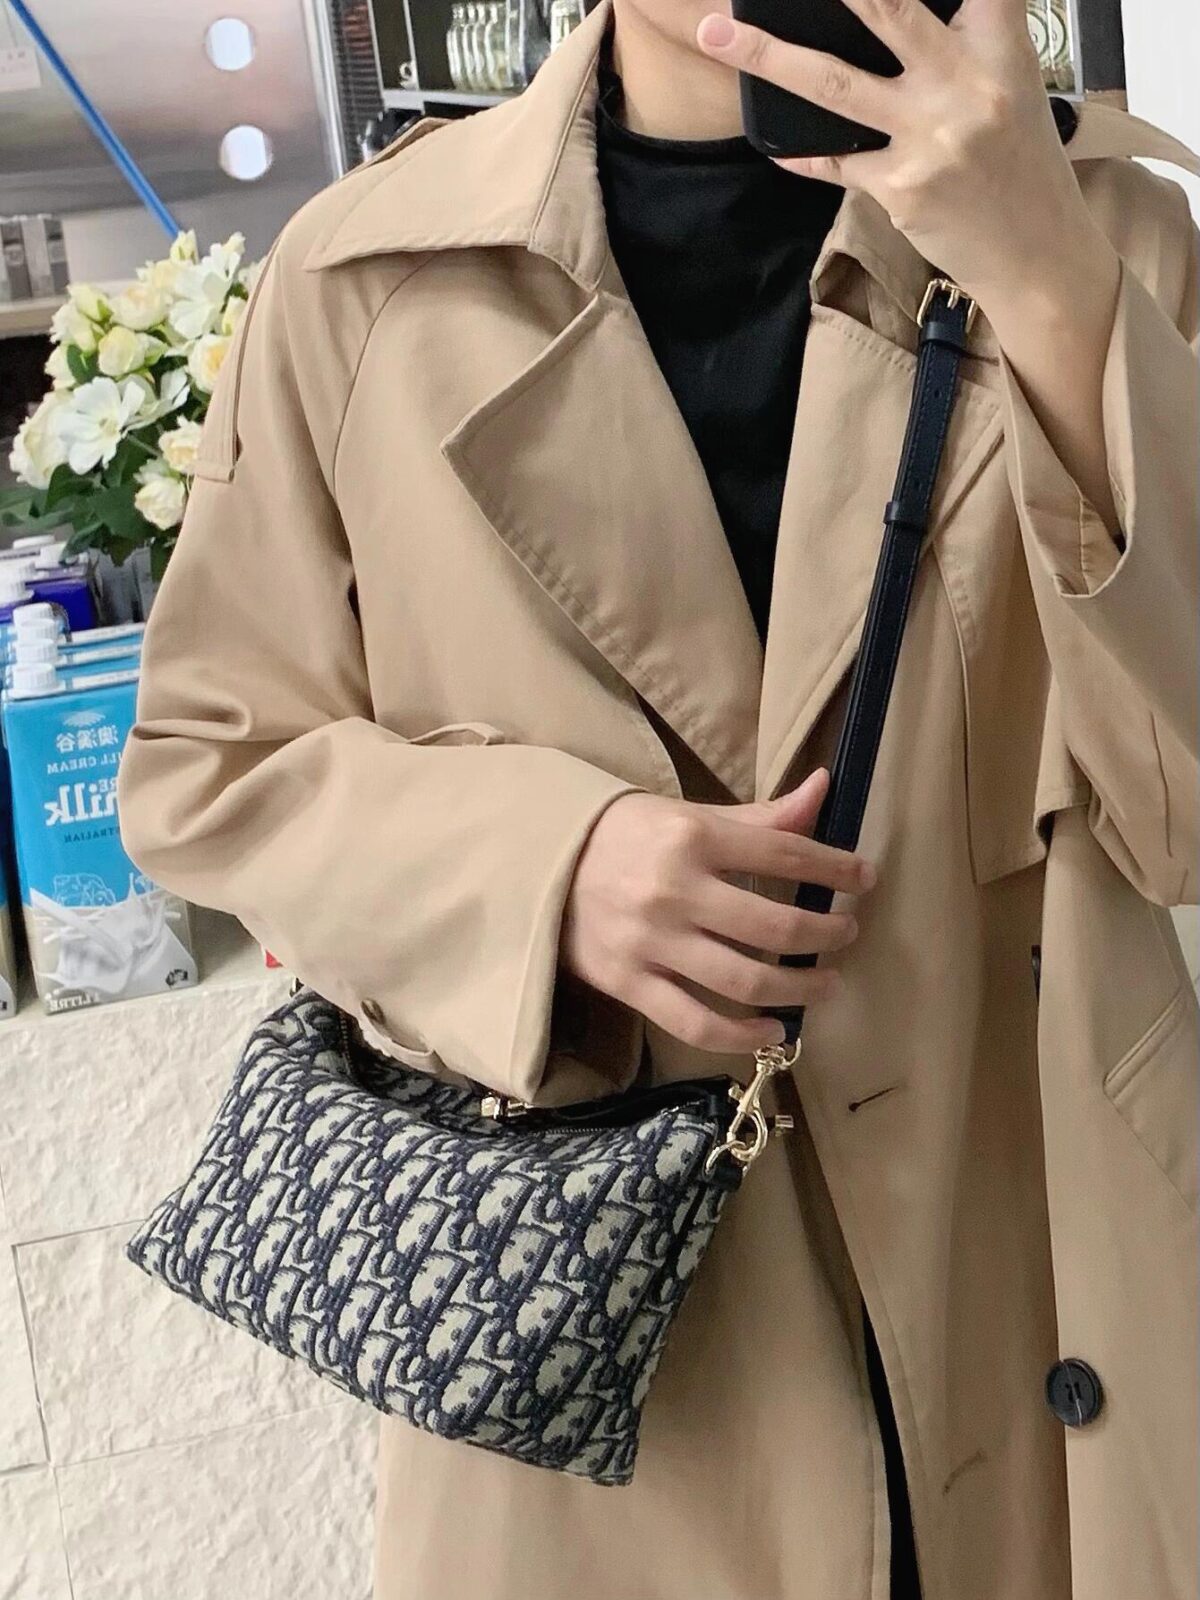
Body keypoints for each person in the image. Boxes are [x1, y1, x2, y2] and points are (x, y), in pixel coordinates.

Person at [115, 0, 1200, 1595]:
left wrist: (1041, 271)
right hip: (622, 1371)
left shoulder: (1107, 228)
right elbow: (212, 762)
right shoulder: (365, 280)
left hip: (1043, 1284)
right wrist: (547, 873)